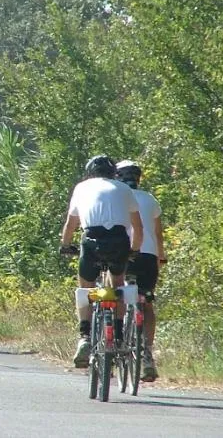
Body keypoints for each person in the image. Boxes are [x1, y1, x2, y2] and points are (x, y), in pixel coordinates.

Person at [59, 154, 144, 368]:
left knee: (86, 288)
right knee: (117, 285)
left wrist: (65, 245)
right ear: (113, 173)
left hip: (91, 241)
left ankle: (85, 336)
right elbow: (138, 226)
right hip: (118, 242)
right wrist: (133, 250)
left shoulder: (82, 187)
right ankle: (118, 334)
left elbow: (70, 225)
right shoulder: (124, 189)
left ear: (90, 172)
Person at [116, 159, 167, 382]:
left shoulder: (116, 197)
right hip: (148, 256)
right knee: (146, 302)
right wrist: (160, 257)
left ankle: (112, 340)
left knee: (115, 293)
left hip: (122, 254)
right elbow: (158, 235)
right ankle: (146, 354)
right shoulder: (150, 199)